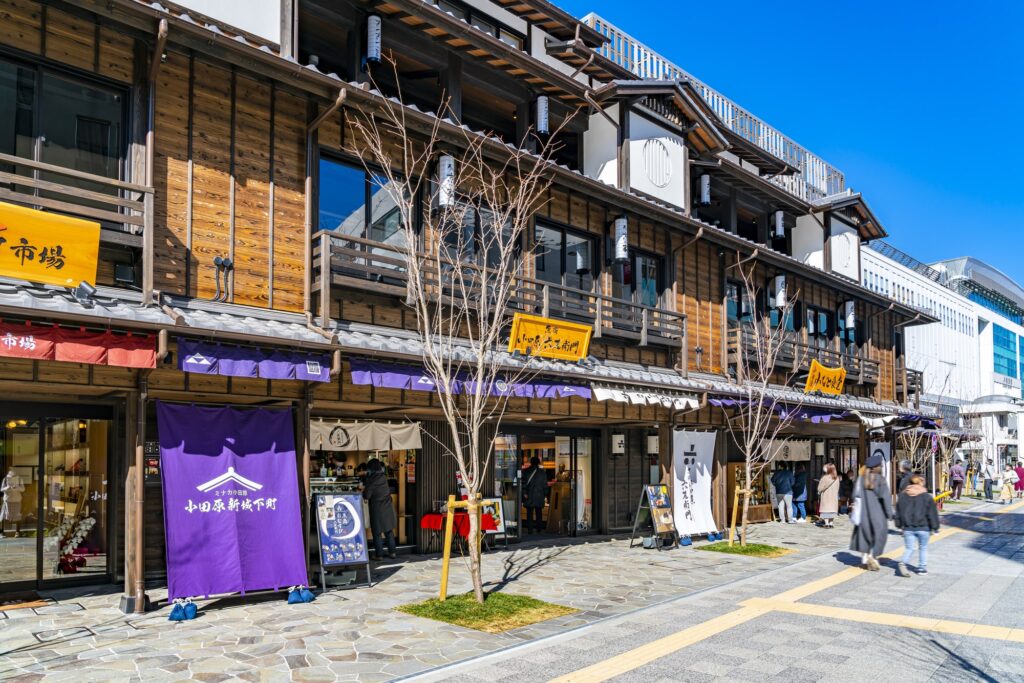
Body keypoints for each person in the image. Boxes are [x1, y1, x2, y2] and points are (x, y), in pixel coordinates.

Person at [850, 454, 893, 571]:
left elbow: (855, 495)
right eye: (880, 465)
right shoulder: (880, 480)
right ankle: (872, 556)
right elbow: (886, 499)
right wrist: (889, 514)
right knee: (878, 536)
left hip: (863, 514)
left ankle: (865, 557)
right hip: (878, 515)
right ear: (876, 467)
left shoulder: (861, 479)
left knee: (865, 536)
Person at [895, 474, 939, 576]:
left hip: (907, 528)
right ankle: (921, 568)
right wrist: (935, 527)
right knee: (923, 548)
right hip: (923, 527)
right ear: (921, 483)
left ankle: (903, 562)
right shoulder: (926, 497)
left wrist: (899, 524)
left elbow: (899, 512)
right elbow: (932, 513)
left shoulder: (902, 496)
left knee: (909, 548)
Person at [362, 459, 397, 560]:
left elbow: (367, 496)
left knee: (377, 533)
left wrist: (363, 490)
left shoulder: (371, 480)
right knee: (389, 531)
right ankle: (392, 553)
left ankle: (379, 555)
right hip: (387, 507)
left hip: (376, 509)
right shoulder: (383, 477)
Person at [522, 456, 548, 534]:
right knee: (539, 513)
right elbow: (545, 485)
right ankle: (539, 529)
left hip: (529, 495)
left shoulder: (526, 471)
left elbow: (523, 484)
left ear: (531, 462)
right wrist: (545, 495)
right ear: (538, 463)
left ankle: (530, 530)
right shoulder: (542, 472)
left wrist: (524, 493)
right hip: (539, 496)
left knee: (529, 513)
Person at [817, 463, 840, 529]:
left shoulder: (824, 477)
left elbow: (820, 488)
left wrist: (820, 491)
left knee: (825, 510)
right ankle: (831, 523)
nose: (824, 469)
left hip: (826, 496)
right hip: (834, 497)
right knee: (832, 510)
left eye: (825, 467)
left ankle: (826, 524)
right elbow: (837, 488)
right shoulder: (837, 478)